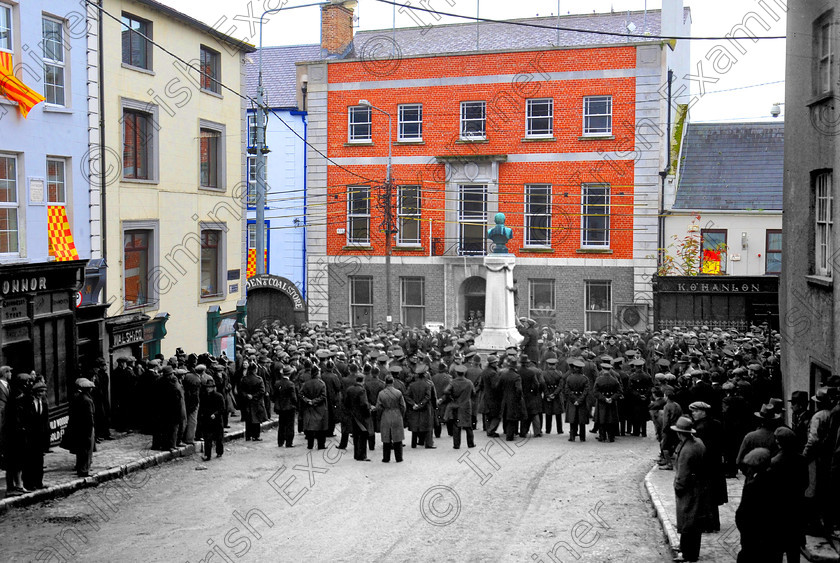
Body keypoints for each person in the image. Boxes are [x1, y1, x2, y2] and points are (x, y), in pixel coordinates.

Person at [735, 448, 781, 563]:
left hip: (754, 537)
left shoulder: (752, 487)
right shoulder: (776, 481)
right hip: (772, 537)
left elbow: (741, 514)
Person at [770, 427, 808, 563]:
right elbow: (805, 483)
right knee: (794, 551)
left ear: (778, 442)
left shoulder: (775, 462)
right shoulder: (802, 460)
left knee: (777, 550)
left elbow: (771, 489)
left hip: (779, 512)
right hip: (796, 510)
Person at [672, 416, 706, 563]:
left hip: (688, 489)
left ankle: (688, 554)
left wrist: (678, 487)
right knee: (694, 521)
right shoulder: (698, 442)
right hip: (699, 485)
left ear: (680, 433)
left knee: (687, 521)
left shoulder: (687, 450)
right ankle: (689, 551)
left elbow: (682, 474)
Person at [689, 401, 726, 533]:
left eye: (696, 411)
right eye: (693, 411)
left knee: (704, 495)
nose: (693, 413)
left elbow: (699, 449)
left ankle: (706, 524)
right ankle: (714, 523)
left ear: (703, 412)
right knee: (712, 496)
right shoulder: (716, 423)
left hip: (705, 465)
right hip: (715, 464)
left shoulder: (699, 428)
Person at [60, 378, 96, 477]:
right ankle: (84, 470)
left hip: (79, 427)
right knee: (86, 449)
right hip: (86, 428)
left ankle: (81, 468)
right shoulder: (87, 400)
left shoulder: (79, 398)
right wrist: (90, 429)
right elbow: (90, 417)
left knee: (81, 449)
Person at [439, 365, 476, 449]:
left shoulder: (453, 382)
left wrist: (452, 396)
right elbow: (474, 393)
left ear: (456, 373)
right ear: (464, 373)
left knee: (456, 425)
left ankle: (456, 444)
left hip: (456, 405)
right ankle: (470, 444)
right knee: (468, 425)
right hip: (466, 406)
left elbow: (446, 391)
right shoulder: (469, 382)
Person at [22, 381, 50, 490]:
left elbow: (45, 420)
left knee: (39, 461)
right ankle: (29, 484)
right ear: (35, 392)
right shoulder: (28, 402)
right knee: (29, 461)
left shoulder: (44, 402)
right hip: (30, 436)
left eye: (43, 392)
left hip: (40, 435)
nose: (41, 394)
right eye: (39, 392)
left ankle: (39, 482)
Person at [376, 375, 406, 463]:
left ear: (385, 382)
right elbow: (403, 406)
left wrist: (379, 416)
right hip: (397, 414)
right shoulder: (398, 393)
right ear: (393, 382)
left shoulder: (381, 393)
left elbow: (378, 407)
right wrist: (401, 415)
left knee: (386, 438)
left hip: (386, 415)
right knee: (398, 438)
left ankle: (386, 458)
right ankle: (399, 457)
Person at [344, 374, 374, 461]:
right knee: (363, 435)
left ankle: (356, 454)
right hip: (361, 415)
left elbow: (346, 402)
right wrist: (368, 410)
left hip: (353, 415)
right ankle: (362, 455)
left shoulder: (349, 389)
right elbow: (364, 403)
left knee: (356, 435)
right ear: (363, 381)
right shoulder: (362, 390)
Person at [498, 356, 526, 442]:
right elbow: (519, 389)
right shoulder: (516, 376)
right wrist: (518, 398)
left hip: (505, 399)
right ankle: (510, 436)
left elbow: (498, 387)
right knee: (512, 418)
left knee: (506, 416)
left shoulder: (503, 375)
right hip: (513, 400)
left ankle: (506, 432)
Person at [239, 361, 269, 441]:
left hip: (247, 401)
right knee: (256, 419)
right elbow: (262, 391)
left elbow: (241, 390)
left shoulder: (244, 379)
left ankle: (248, 436)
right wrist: (254, 396)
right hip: (257, 401)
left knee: (248, 419)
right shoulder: (259, 379)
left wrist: (247, 395)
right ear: (255, 370)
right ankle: (256, 436)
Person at [300, 366, 328, 450]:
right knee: (321, 427)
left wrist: (307, 400)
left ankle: (310, 445)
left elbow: (300, 394)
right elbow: (323, 396)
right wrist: (315, 401)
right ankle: (321, 445)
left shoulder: (306, 384)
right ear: (317, 373)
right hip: (320, 408)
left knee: (310, 427)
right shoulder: (322, 383)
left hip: (309, 407)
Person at [564, 359, 590, 442]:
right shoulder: (585, 378)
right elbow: (586, 391)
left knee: (573, 419)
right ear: (581, 369)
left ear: (574, 368)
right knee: (581, 420)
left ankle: (572, 436)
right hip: (581, 401)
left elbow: (567, 390)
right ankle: (582, 437)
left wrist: (574, 399)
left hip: (572, 400)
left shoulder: (569, 378)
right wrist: (579, 400)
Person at [198, 379, 225, 461]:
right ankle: (207, 455)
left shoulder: (219, 396)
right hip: (207, 420)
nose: (208, 389)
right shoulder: (203, 396)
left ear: (213, 388)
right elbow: (201, 408)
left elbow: (222, 409)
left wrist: (216, 414)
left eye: (210, 387)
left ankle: (219, 452)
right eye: (207, 387)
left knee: (219, 437)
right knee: (207, 438)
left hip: (217, 420)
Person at [273, 365, 298, 448]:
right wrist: (296, 404)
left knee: (281, 425)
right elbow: (293, 397)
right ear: (289, 374)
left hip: (280, 407)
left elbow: (274, 396)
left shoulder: (277, 383)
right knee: (290, 426)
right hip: (290, 407)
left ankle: (280, 442)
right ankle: (289, 442)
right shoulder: (291, 384)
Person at [478, 355, 502, 437]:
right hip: (494, 397)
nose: (497, 363)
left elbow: (481, 384)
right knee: (497, 415)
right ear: (493, 363)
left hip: (485, 395)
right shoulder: (493, 373)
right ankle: (491, 430)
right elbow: (495, 386)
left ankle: (488, 429)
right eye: (495, 362)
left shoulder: (484, 371)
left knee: (488, 414)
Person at [541, 358, 564, 435]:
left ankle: (548, 430)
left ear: (548, 365)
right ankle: (559, 430)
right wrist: (554, 394)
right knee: (558, 414)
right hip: (556, 395)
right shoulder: (559, 373)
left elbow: (543, 385)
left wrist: (547, 395)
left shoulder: (543, 373)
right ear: (555, 365)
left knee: (548, 413)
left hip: (548, 394)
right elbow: (560, 386)